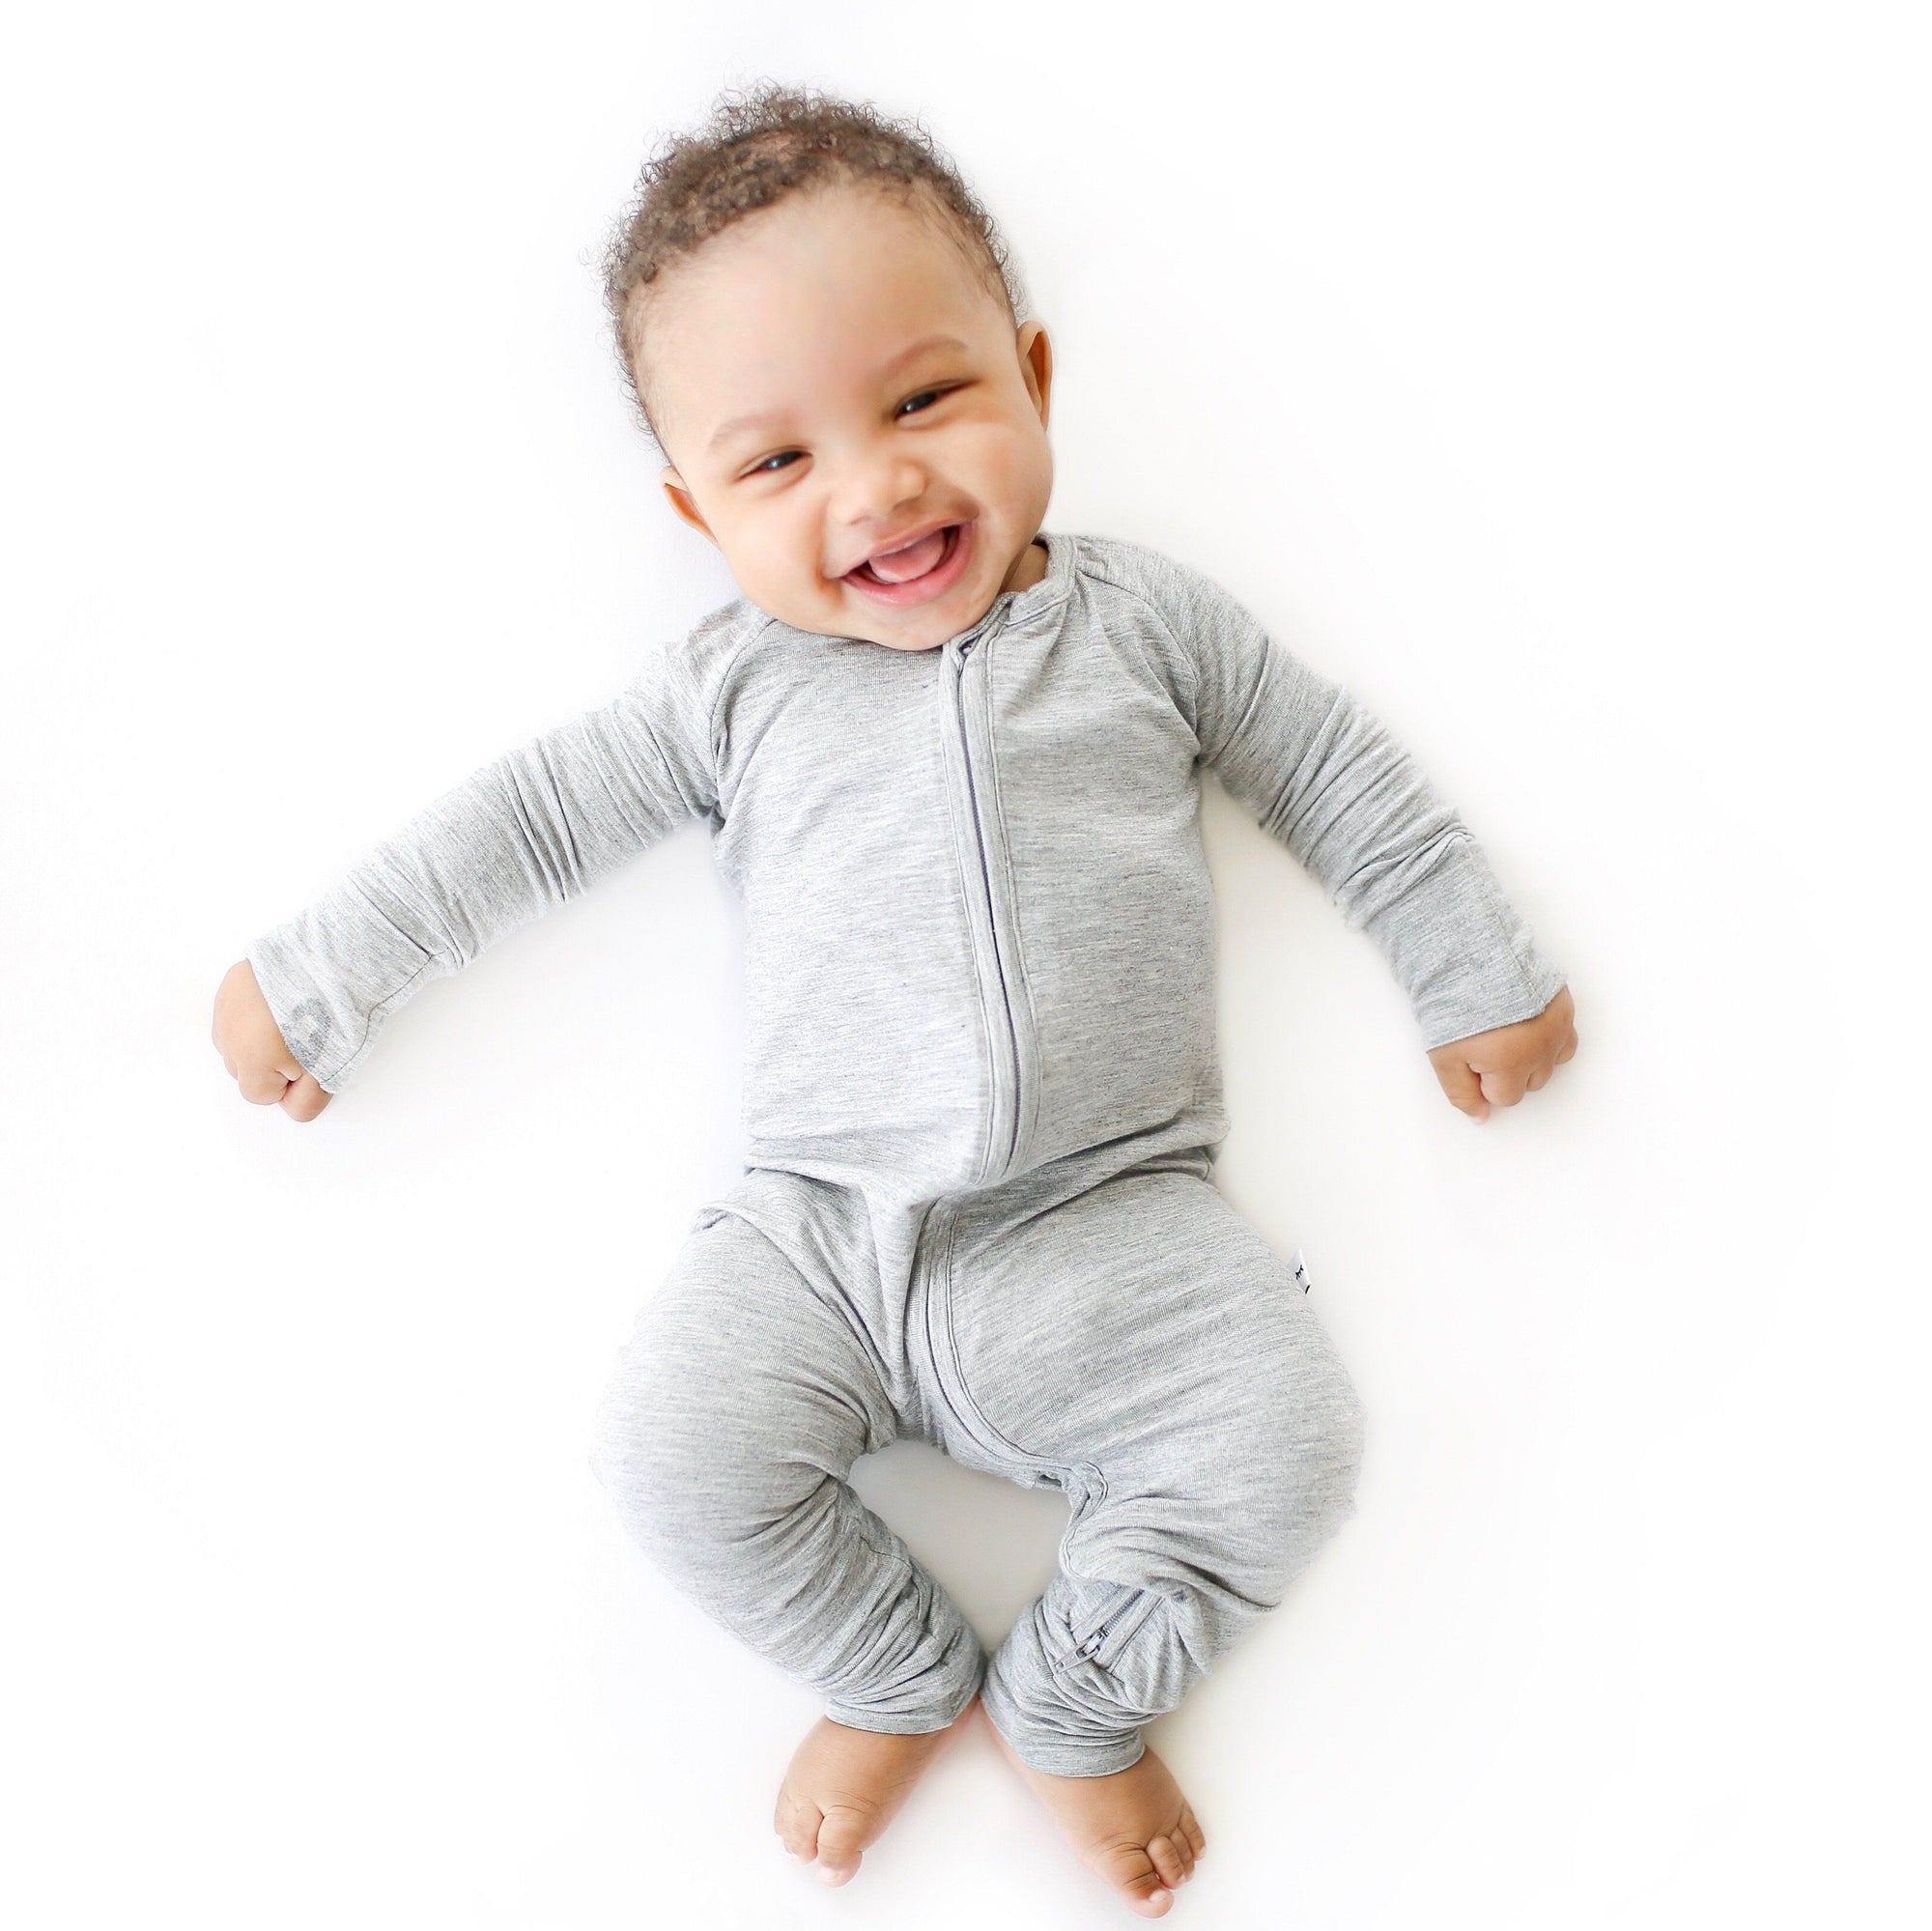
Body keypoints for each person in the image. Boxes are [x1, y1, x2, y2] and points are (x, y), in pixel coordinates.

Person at [211, 81, 1579, 1919]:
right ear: (699, 513)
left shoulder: (1145, 627)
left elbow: (1340, 783)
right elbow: (521, 826)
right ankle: (894, 1669)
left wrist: (1470, 967)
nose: (877, 487)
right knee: (670, 1457)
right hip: (820, 1246)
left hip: (1111, 1224)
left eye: (924, 398)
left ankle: (1078, 1696)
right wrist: (323, 971)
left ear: (1027, 373)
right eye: (777, 465)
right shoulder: (731, 689)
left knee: (1290, 1439)